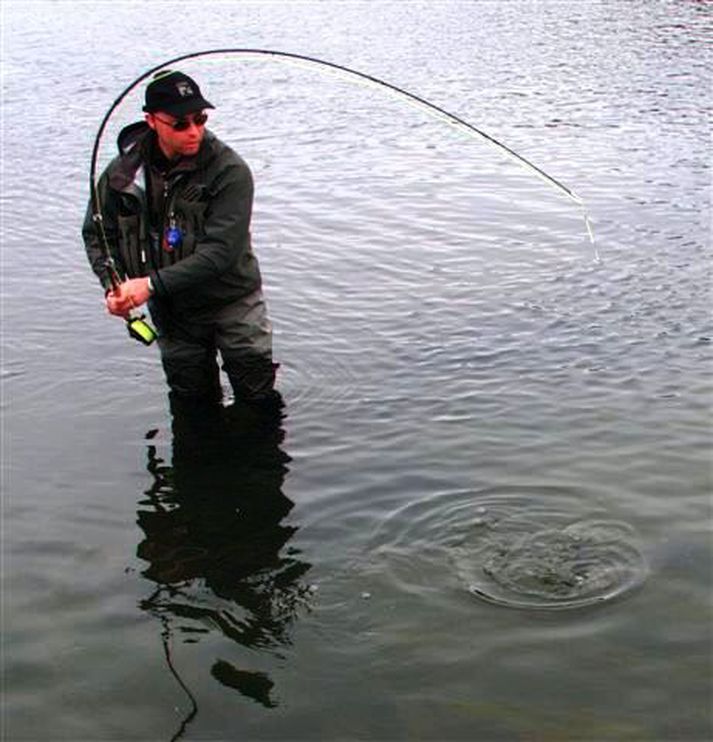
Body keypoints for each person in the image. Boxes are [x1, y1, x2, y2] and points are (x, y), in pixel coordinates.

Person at [83, 69, 279, 406]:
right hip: (174, 314)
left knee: (258, 401)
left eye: (200, 119)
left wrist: (148, 285)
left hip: (232, 304)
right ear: (151, 121)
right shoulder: (122, 174)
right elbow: (98, 233)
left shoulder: (229, 171)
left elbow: (221, 253)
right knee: (191, 403)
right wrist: (112, 284)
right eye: (180, 123)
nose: (194, 131)